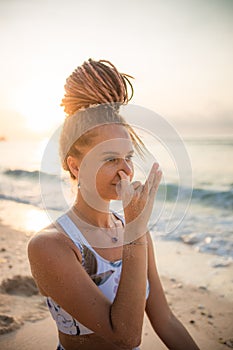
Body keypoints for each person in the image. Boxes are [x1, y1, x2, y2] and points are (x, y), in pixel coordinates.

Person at [28, 59, 200, 350]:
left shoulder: (137, 231)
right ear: (75, 166)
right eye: (110, 159)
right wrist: (134, 230)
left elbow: (165, 320)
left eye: (128, 158)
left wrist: (135, 229)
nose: (126, 171)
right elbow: (125, 336)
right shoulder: (50, 246)